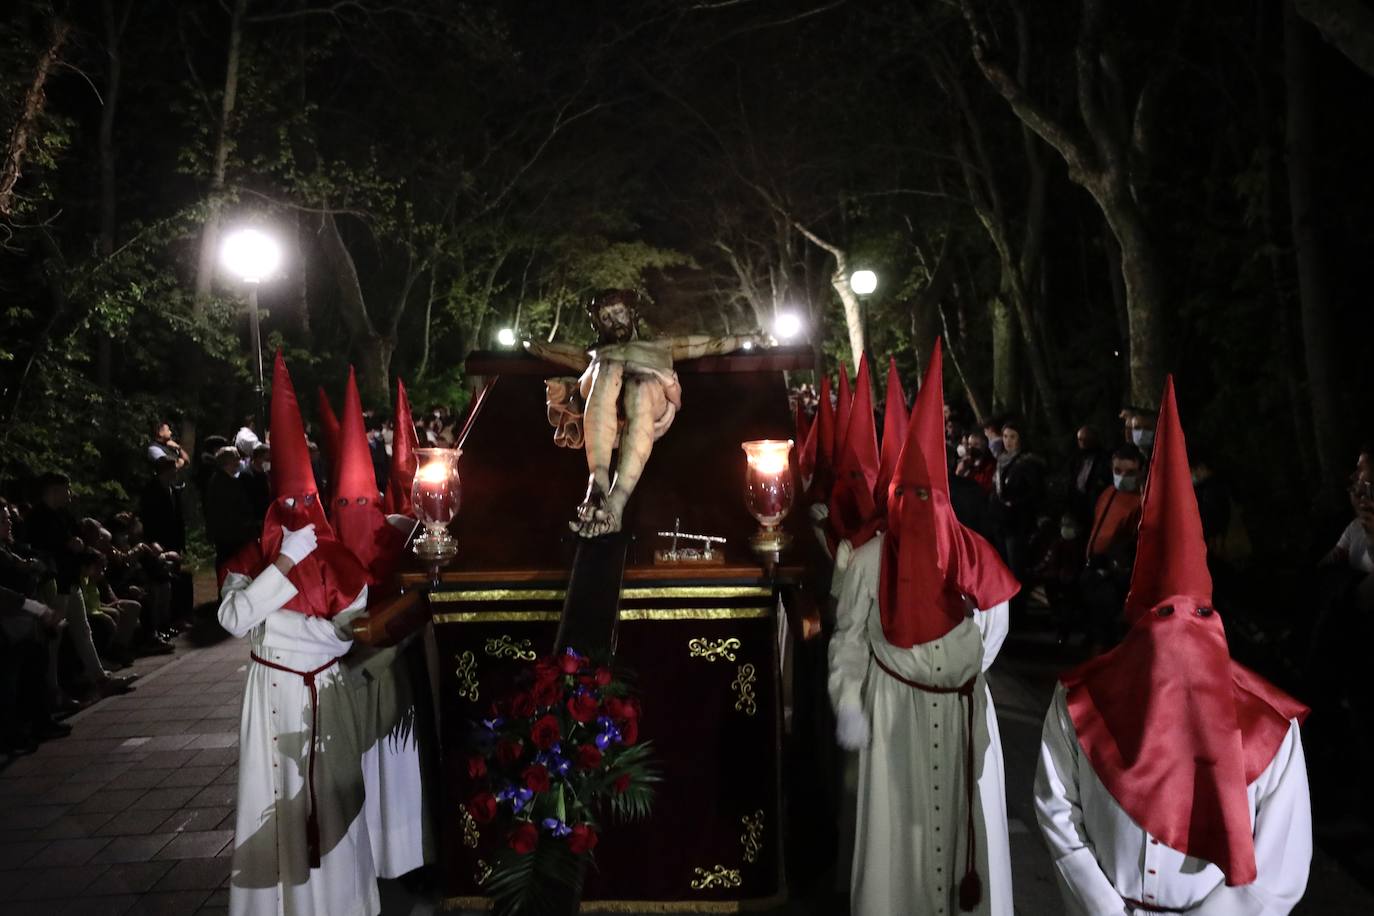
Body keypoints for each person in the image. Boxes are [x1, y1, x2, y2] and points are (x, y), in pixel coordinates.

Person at [1034, 376, 1312, 915]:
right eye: (1163, 618)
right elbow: (1057, 809)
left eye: (1197, 617)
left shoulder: (1269, 729)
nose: (1179, 634)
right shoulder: (1079, 706)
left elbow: (1279, 864)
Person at [829, 340, 1019, 916]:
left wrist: (958, 677)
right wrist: (850, 703)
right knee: (898, 847)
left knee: (962, 842)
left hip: (960, 712)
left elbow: (993, 628)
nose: (914, 507)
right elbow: (849, 639)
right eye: (903, 496)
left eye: (925, 496)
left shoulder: (973, 554)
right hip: (892, 715)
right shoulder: (867, 561)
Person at [219, 352, 378, 916]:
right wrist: (283, 565)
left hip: (324, 697)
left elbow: (348, 628)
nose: (298, 510)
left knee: (331, 804)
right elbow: (234, 620)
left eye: (306, 502)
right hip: (272, 700)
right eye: (288, 502)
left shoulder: (339, 560)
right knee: (274, 804)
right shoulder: (254, 555)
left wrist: (278, 625)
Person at [529, 289, 766, 537]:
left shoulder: (660, 346)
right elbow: (546, 349)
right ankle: (597, 481)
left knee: (639, 385)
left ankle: (616, 503)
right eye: (606, 317)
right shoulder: (594, 352)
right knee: (607, 366)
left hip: (647, 399)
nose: (614, 321)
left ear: (631, 312)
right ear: (598, 323)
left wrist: (747, 338)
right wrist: (526, 343)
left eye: (618, 312)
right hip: (602, 389)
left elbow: (711, 344)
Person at [331, 367, 431, 878]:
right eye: (343, 505)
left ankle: (404, 853)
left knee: (398, 770)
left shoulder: (404, 533)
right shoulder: (319, 557)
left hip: (394, 682)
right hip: (349, 688)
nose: (354, 513)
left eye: (362, 504)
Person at [26, 472, 134, 697]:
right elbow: (39, 548)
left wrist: (79, 547)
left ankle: (99, 678)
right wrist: (66, 545)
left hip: (70, 580)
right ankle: (52, 691)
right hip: (53, 584)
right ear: (53, 490)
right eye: (66, 489)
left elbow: (79, 539)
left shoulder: (64, 514)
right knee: (54, 637)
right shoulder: (37, 518)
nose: (69, 494)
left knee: (82, 630)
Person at [1080, 444, 1145, 649]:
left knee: (1107, 626)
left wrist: (1115, 564)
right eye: (1118, 471)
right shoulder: (1108, 492)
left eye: (1130, 472)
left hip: (1114, 574)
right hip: (1093, 566)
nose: (1123, 476)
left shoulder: (1141, 502)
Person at [992, 419, 1045, 589]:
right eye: (1005, 436)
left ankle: (1018, 606)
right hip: (1002, 521)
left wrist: (1014, 504)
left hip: (1018, 523)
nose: (1008, 441)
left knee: (1017, 569)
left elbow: (1035, 492)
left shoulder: (1028, 462)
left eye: (1012, 437)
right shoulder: (1002, 460)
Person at [207, 446, 261, 566]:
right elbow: (228, 510)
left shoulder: (230, 480)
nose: (239, 461)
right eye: (236, 458)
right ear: (228, 461)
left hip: (235, 535)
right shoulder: (221, 483)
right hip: (230, 536)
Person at [139, 455, 188, 555]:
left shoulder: (174, 491)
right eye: (174, 468)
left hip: (174, 542)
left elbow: (178, 518)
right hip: (159, 543)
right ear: (166, 470)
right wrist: (152, 541)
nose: (176, 471)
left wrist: (181, 543)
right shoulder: (151, 492)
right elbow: (147, 518)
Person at [1067, 426, 1112, 522]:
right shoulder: (1076, 457)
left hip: (1094, 501)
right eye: (1080, 439)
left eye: (1087, 439)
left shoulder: (1104, 458)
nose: (1083, 443)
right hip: (1077, 499)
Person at [243, 444, 273, 524]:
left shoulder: (266, 473)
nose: (269, 462)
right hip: (256, 517)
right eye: (266, 459)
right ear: (258, 457)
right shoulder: (247, 474)